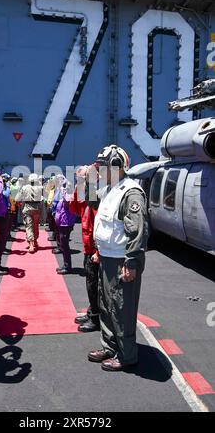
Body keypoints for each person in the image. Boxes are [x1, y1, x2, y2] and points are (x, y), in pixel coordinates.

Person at [86, 145, 148, 371]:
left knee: (122, 308)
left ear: (116, 166)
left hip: (122, 260)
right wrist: (89, 179)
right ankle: (110, 345)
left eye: (102, 166)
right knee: (106, 303)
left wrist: (131, 262)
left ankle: (127, 355)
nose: (100, 170)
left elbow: (138, 232)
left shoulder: (130, 193)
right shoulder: (111, 189)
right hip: (107, 257)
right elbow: (91, 202)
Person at [69, 169, 100, 332]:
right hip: (88, 248)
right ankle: (92, 312)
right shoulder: (85, 201)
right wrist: (78, 185)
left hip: (95, 249)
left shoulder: (96, 200)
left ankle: (96, 318)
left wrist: (98, 252)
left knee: (94, 284)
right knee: (91, 283)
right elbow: (73, 208)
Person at [15, 173, 43, 253]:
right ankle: (36, 241)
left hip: (27, 207)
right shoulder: (40, 187)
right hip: (37, 207)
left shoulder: (24, 187)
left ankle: (31, 244)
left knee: (29, 226)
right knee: (35, 225)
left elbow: (17, 198)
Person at [54, 179, 76, 275]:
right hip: (63, 223)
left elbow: (67, 203)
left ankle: (67, 266)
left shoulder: (68, 194)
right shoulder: (66, 194)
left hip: (66, 223)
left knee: (65, 245)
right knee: (63, 244)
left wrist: (64, 191)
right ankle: (66, 265)